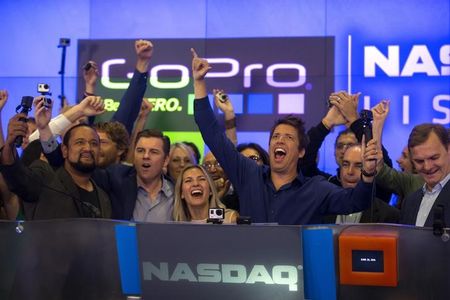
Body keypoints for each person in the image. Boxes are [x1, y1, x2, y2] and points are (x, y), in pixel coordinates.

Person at [191, 48, 377, 225]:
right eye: (275, 136)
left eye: (288, 137)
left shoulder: (316, 190)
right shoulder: (249, 175)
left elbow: (356, 202)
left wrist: (368, 174)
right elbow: (212, 134)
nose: (279, 140)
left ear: (301, 151)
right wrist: (199, 82)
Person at [0, 97, 111, 219]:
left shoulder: (103, 195)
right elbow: (16, 177)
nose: (87, 148)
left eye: (94, 143)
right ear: (64, 150)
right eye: (80, 142)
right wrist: (10, 143)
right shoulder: (46, 177)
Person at [322, 144, 400, 224]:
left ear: (371, 171)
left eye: (358, 166)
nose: (350, 172)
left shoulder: (389, 215)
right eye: (345, 165)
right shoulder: (323, 206)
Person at [400, 124, 450, 227]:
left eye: (434, 158)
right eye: (419, 161)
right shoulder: (409, 202)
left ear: (448, 150)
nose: (427, 167)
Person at [173, 164, 238, 223]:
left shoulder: (229, 218)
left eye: (201, 179)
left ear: (210, 190)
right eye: (188, 181)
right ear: (181, 193)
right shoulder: (177, 226)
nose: (196, 184)